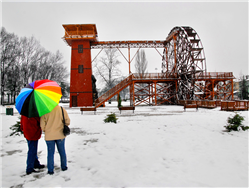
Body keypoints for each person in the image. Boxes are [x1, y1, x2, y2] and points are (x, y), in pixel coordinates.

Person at [40, 105, 70, 175]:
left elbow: (42, 125)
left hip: (49, 135)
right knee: (62, 151)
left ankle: (50, 170)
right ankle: (64, 166)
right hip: (60, 135)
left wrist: (47, 130)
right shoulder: (62, 109)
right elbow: (67, 121)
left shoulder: (45, 111)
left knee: (50, 153)